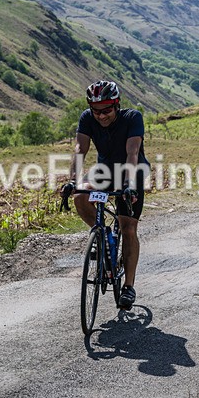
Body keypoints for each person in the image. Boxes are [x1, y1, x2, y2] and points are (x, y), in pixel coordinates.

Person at [60, 81, 149, 310]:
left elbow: (132, 152)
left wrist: (129, 185)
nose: (101, 116)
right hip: (105, 171)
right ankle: (102, 233)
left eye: (107, 110)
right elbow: (80, 151)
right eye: (96, 110)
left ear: (117, 105)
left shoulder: (132, 118)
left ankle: (128, 287)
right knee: (80, 195)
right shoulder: (87, 118)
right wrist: (71, 180)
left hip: (132, 171)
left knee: (128, 228)